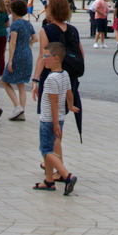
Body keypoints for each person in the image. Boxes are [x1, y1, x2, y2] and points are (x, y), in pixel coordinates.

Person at [34, 0, 86, 130]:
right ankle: (56, 147)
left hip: (51, 77)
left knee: (50, 117)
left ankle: (53, 150)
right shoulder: (73, 29)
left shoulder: (46, 30)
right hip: (69, 79)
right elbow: (81, 54)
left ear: (52, 9)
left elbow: (42, 57)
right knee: (60, 116)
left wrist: (35, 80)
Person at [35, 43, 78, 193]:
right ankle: (49, 181)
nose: (43, 59)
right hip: (59, 117)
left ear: (56, 59)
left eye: (45, 56)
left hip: (49, 120)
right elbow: (69, 93)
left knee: (46, 150)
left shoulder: (51, 79)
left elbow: (53, 102)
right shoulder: (64, 74)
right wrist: (71, 106)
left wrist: (54, 124)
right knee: (49, 148)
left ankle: (67, 175)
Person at [0, 0, 34, 120]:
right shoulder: (28, 24)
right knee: (21, 85)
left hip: (18, 54)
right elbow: (35, 38)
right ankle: (22, 112)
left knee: (5, 81)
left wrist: (10, 60)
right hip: (27, 54)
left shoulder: (15, 24)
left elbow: (12, 43)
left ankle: (17, 107)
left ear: (12, 10)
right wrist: (26, 42)